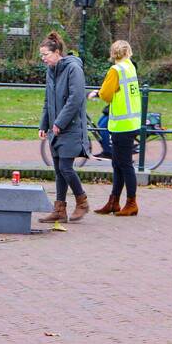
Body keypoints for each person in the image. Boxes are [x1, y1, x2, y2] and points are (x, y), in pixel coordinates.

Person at [37, 31, 90, 223]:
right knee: (59, 169)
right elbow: (48, 100)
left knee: (66, 168)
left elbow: (76, 99)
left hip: (71, 128)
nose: (43, 59)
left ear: (57, 52)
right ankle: (59, 209)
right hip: (56, 129)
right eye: (41, 55)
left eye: (46, 55)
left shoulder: (73, 69)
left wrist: (59, 122)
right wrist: (44, 124)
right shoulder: (51, 71)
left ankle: (82, 202)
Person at [88, 40, 141, 216]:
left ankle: (131, 203)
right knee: (118, 164)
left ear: (113, 53)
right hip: (132, 122)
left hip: (121, 125)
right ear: (128, 52)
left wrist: (98, 93)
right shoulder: (130, 67)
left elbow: (106, 94)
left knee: (124, 165)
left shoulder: (116, 70)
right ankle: (114, 202)